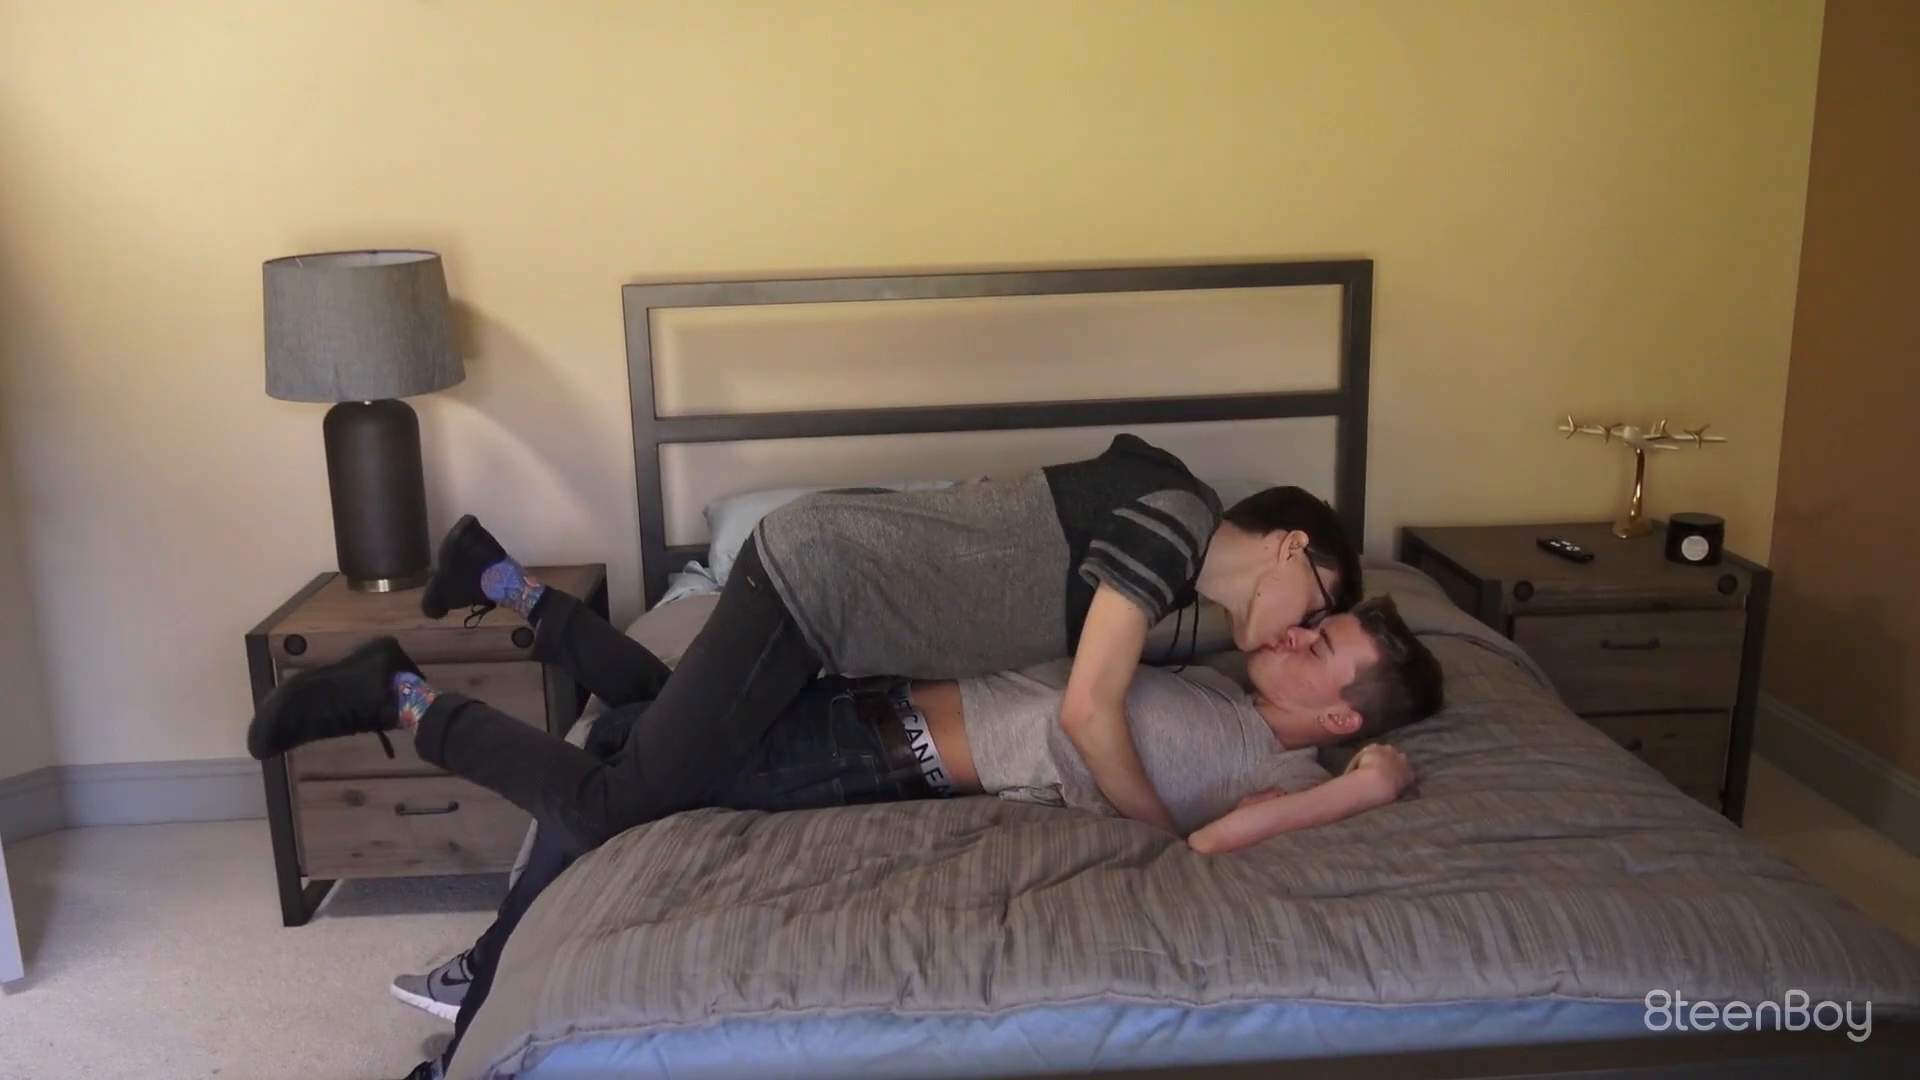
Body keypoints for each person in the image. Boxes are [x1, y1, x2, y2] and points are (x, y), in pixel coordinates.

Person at [381, 592, 1442, 1080]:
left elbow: (1214, 848)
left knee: (618, 779)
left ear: (1340, 720)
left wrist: (1360, 794)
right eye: (1318, 618)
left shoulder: (1280, 771)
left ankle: (406, 701)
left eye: (1322, 646)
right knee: (636, 741)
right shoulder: (1216, 679)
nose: (1298, 632)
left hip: (884, 757)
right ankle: (484, 975)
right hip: (869, 698)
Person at [250, 435, 1364, 847]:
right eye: (1315, 607)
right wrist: (1163, 837)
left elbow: (1137, 654)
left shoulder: (1171, 575)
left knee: (670, 706)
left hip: (834, 592)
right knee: (620, 804)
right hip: (821, 583)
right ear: (1291, 546)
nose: (1298, 631)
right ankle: (398, 695)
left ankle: (491, 576)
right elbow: (1088, 709)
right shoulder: (1176, 518)